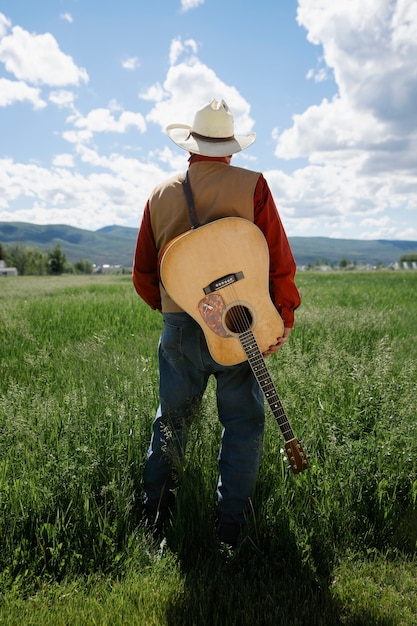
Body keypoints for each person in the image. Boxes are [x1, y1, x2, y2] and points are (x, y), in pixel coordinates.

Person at [132, 98, 301, 547]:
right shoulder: (254, 185)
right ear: (229, 147)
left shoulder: (158, 194)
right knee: (243, 423)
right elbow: (278, 259)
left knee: (172, 422)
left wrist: (175, 311)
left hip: (180, 327)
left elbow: (143, 275)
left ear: (192, 145)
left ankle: (154, 525)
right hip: (240, 325)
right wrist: (280, 316)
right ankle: (231, 534)